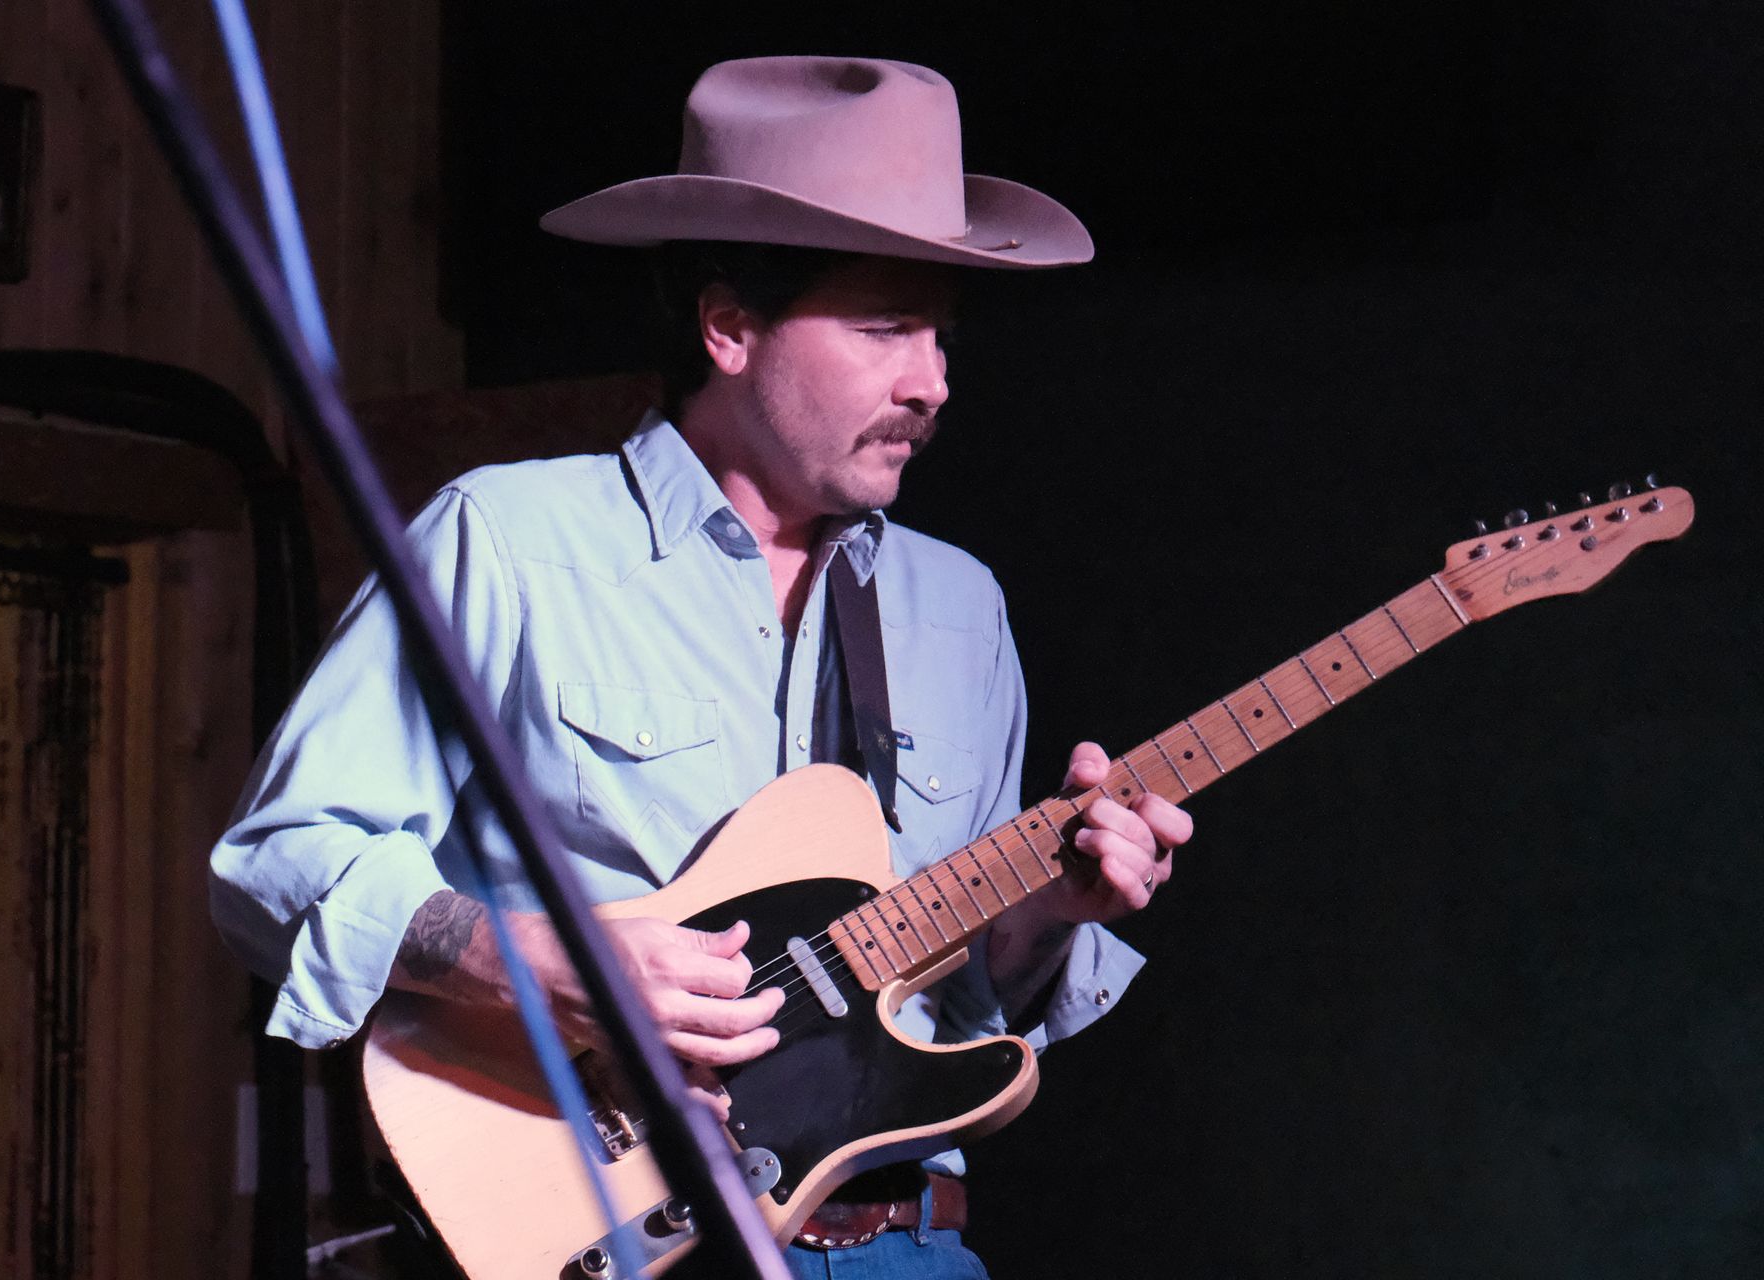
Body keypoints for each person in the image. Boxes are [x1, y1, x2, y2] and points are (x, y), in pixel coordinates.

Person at [211, 55, 1193, 1278]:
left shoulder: (960, 606)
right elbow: (282, 858)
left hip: (904, 1247)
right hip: (618, 1239)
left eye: (940, 334)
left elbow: (955, 998)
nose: (933, 381)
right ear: (729, 326)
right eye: (885, 328)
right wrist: (547, 964)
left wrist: (1048, 911)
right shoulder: (508, 541)